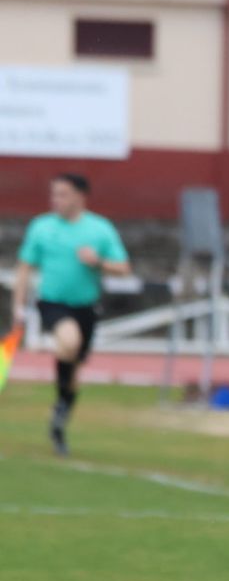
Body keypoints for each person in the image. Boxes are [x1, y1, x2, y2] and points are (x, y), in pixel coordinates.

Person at [10, 173, 131, 456]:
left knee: (74, 369)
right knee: (69, 341)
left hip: (86, 306)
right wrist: (18, 305)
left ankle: (60, 416)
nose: (56, 200)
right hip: (52, 302)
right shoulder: (42, 227)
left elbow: (124, 268)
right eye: (53, 194)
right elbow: (25, 267)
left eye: (62, 194)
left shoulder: (99, 229)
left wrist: (97, 261)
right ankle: (61, 404)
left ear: (80, 196)